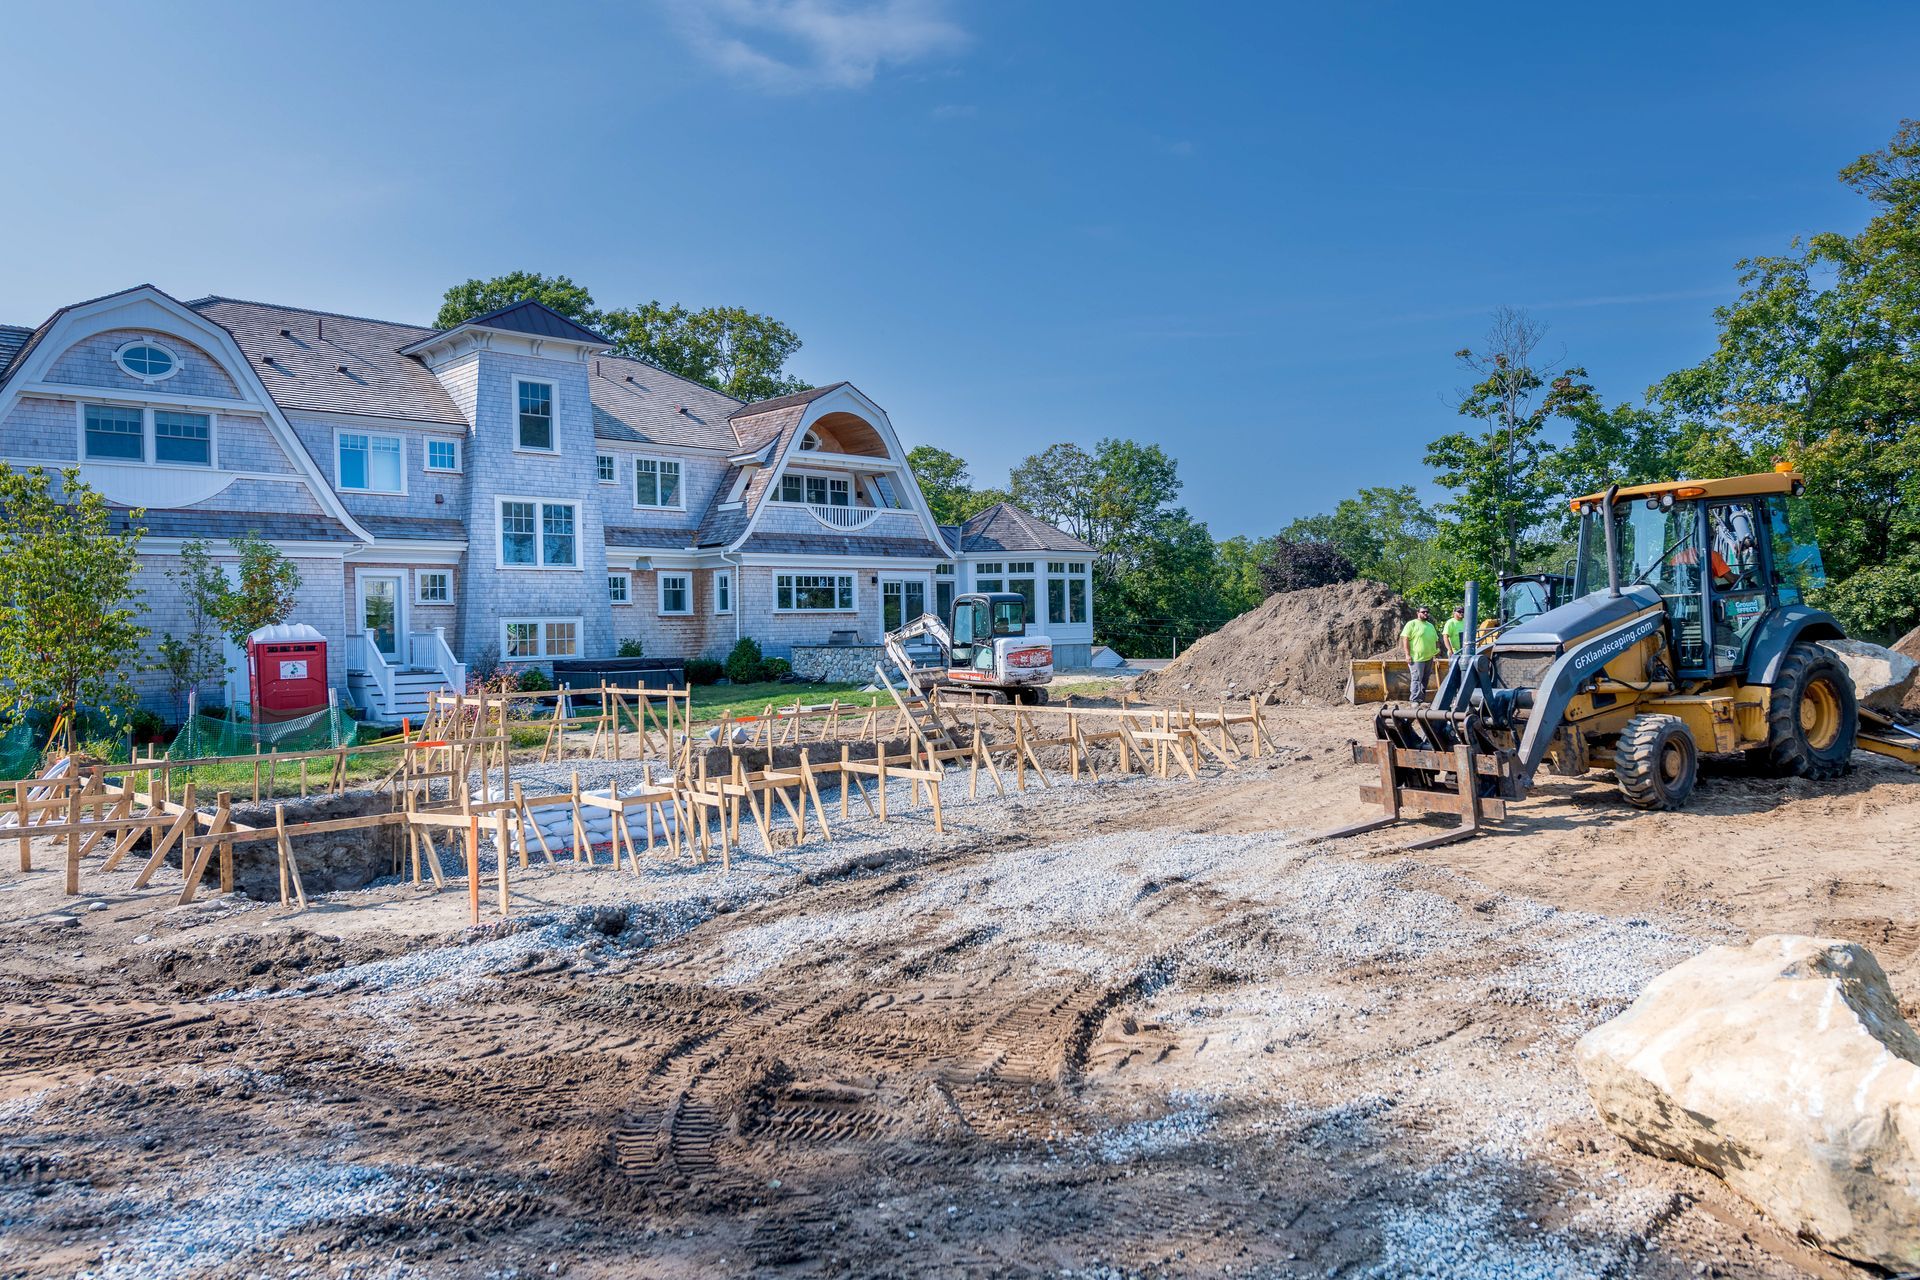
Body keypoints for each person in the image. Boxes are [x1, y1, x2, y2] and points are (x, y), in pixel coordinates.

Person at [1401, 605, 1441, 703]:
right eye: (1423, 612)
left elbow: (1436, 639)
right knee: (1417, 679)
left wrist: (1437, 650)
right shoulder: (1412, 624)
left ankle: (1421, 700)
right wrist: (1407, 654)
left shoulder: (1430, 625)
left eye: (1427, 612)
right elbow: (1405, 638)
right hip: (1416, 658)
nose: (1425, 613)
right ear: (1418, 613)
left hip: (1429, 657)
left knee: (1425, 679)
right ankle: (1414, 700)